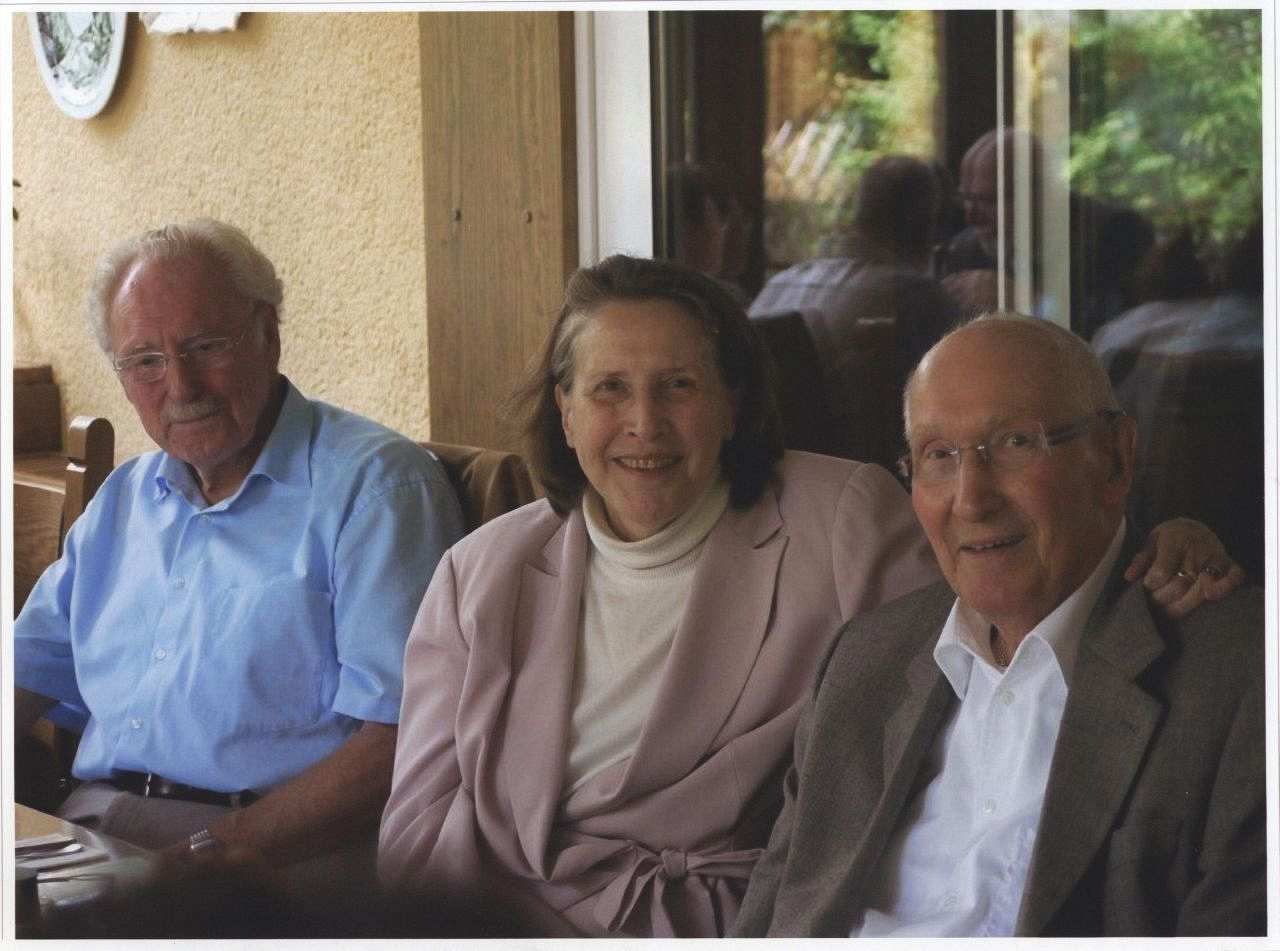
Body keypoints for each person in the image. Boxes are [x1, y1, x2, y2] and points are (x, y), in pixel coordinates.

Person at [378, 256, 1238, 937]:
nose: (644, 422)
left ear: (731, 401)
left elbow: (1017, 588)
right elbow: (415, 835)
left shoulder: (841, 526)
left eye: (678, 385)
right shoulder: (483, 568)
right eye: (608, 388)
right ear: (564, 411)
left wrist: (1161, 537)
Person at [733, 314, 1262, 937]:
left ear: (1115, 459)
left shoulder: (1236, 680)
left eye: (1015, 443)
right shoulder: (864, 659)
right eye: (939, 456)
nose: (972, 498)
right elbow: (773, 910)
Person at [13, 219, 465, 871]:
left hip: (279, 855)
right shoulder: (124, 499)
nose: (181, 386)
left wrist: (214, 855)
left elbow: (404, 739)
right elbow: (25, 671)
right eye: (146, 362)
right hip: (92, 830)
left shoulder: (374, 489)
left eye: (204, 346)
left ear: (268, 334)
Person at [750, 155, 960, 469]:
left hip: (774, 478)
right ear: (931, 228)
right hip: (872, 480)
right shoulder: (914, 298)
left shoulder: (780, 284)